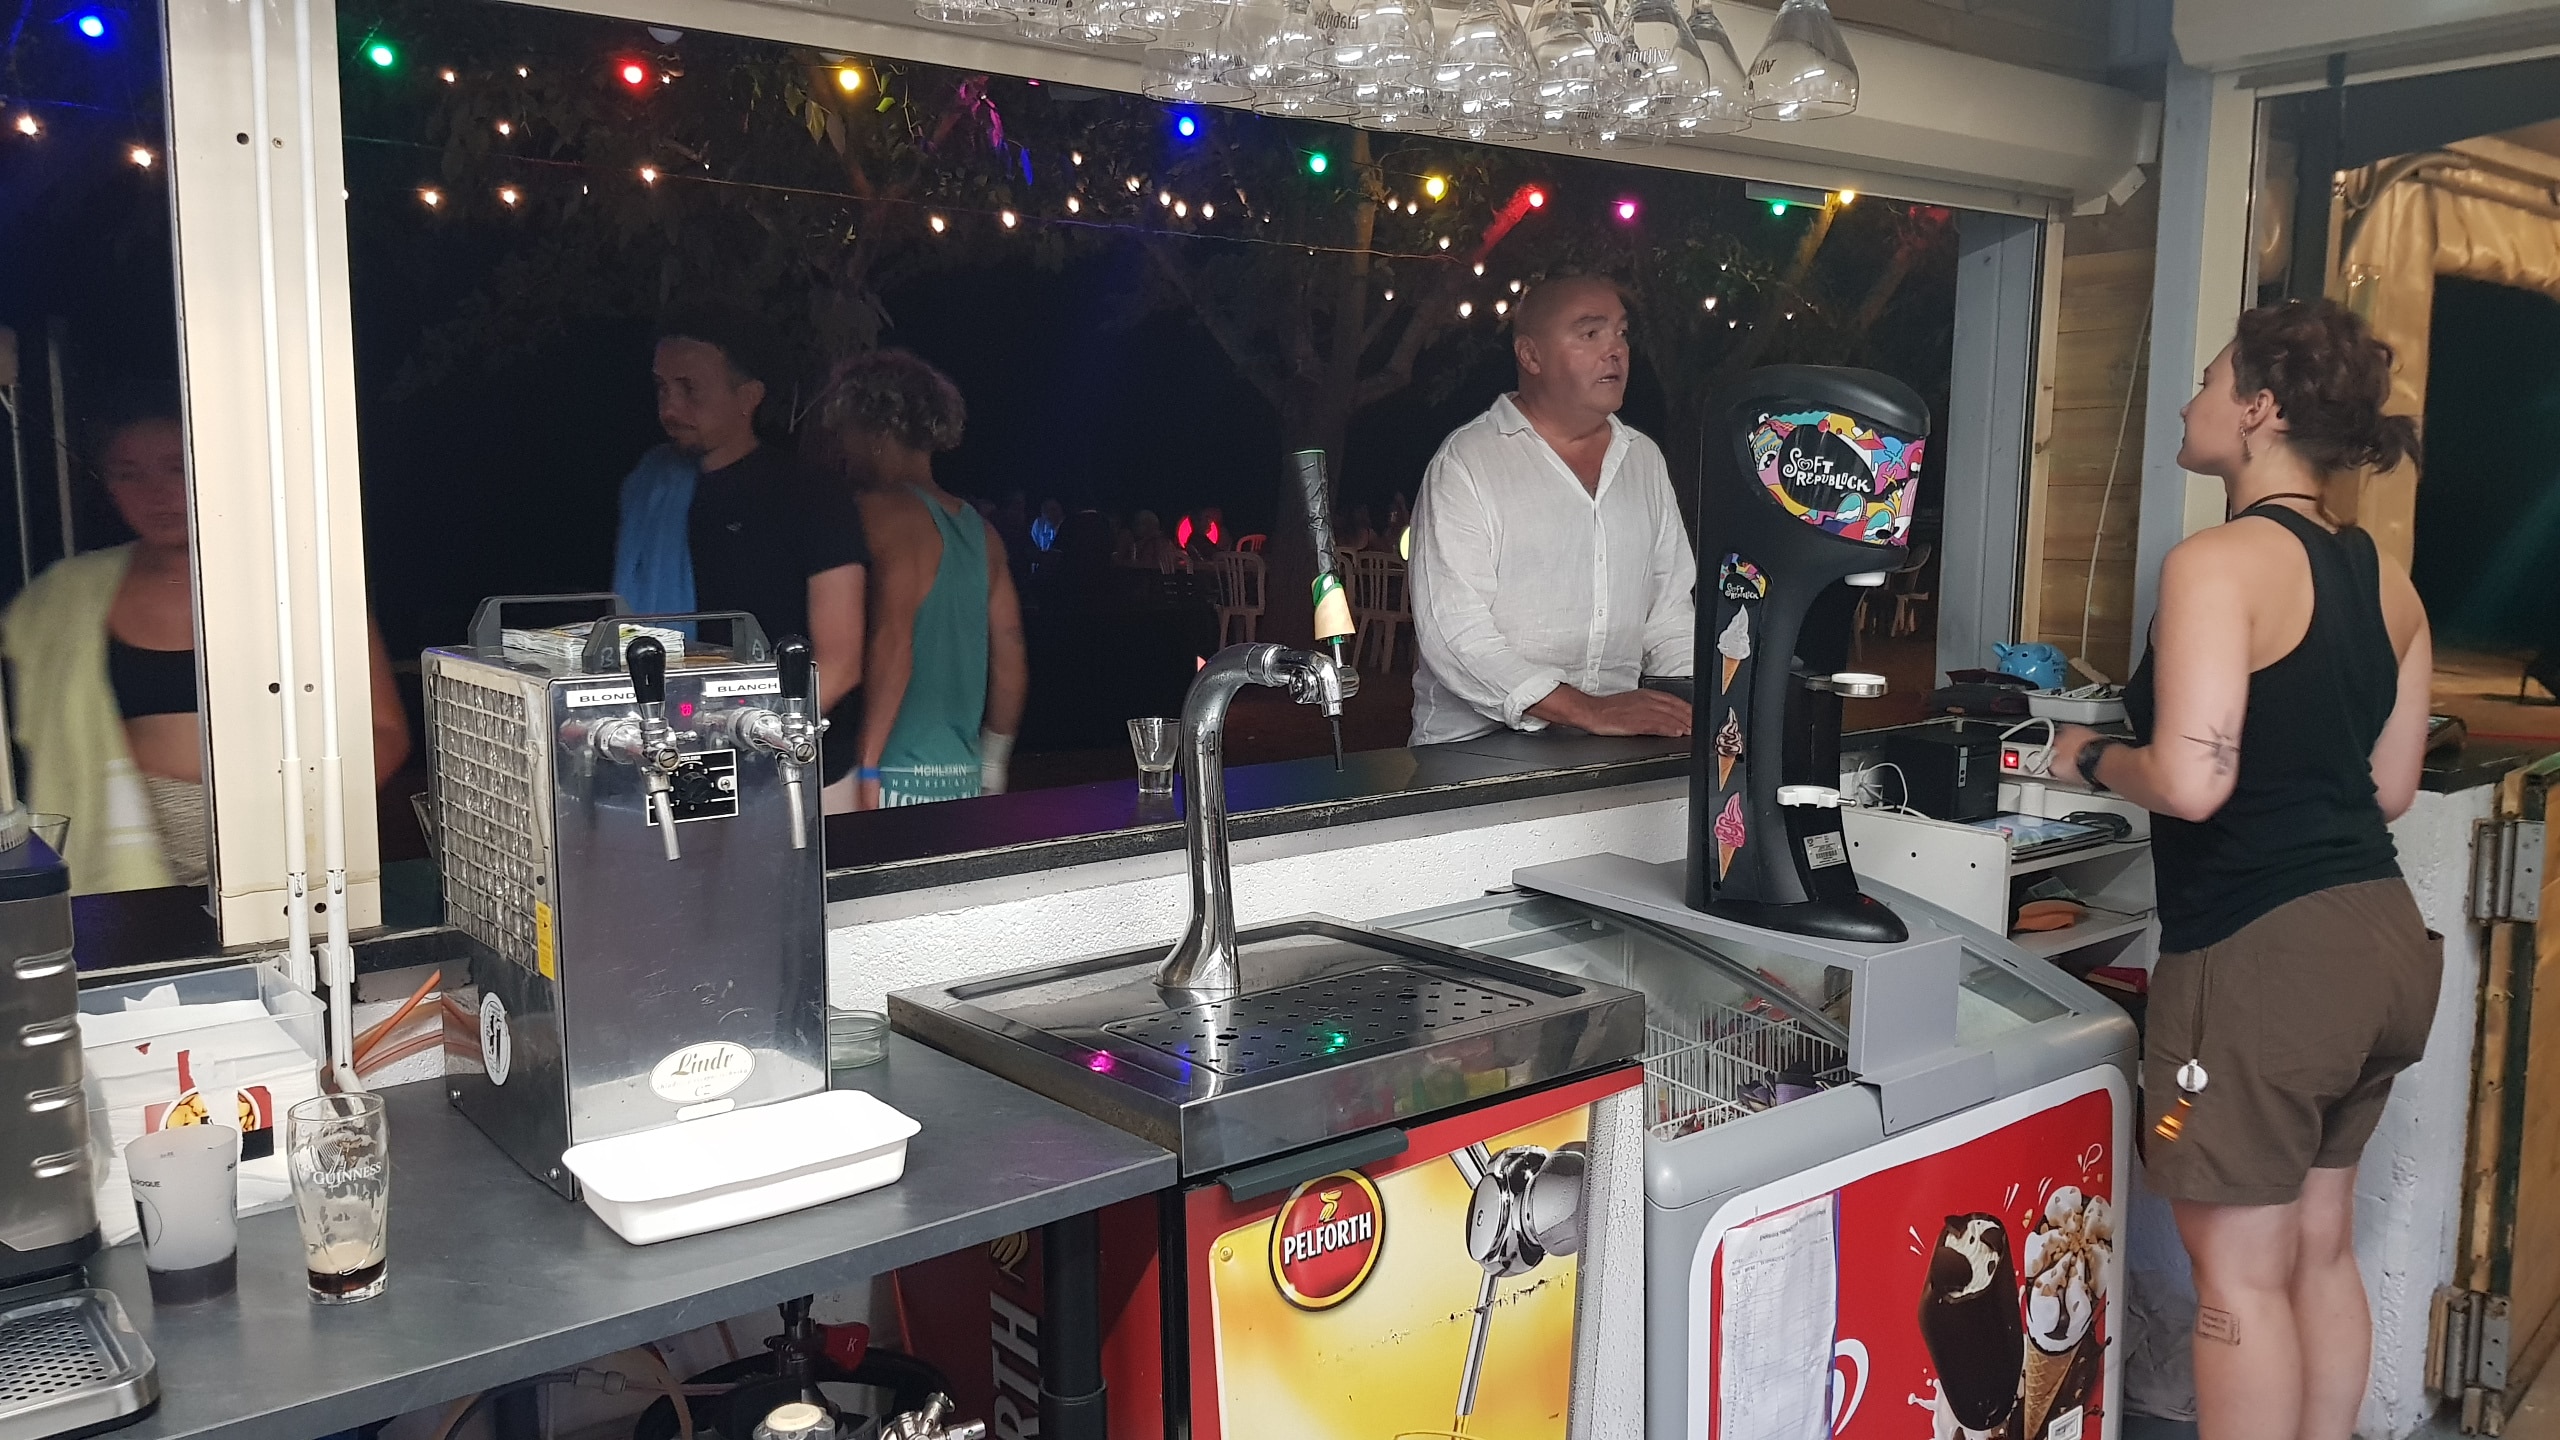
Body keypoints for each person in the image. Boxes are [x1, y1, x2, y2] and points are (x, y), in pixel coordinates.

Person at [2048, 299, 2436, 1440]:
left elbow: (2193, 778)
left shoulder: (2216, 563)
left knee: (2238, 1278)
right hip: (2381, 941)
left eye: (2209, 381)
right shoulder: (2388, 580)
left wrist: (2085, 756)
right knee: (2318, 1249)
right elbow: (2390, 790)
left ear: (2259, 409)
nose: (2187, 402)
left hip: (2267, 957)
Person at [2, 412, 409, 893]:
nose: (156, 493)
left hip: (284, 857)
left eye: (177, 467)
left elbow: (384, 730)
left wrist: (289, 817)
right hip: (118, 858)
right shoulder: (68, 595)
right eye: (129, 473)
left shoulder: (300, 584)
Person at [1405, 274, 1696, 745]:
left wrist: (1692, 711)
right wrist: (1587, 710)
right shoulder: (1468, 461)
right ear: (1531, 355)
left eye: (1621, 333)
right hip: (1474, 755)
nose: (1615, 350)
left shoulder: (1642, 459)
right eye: (1590, 333)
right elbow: (1454, 634)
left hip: (1613, 747)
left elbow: (1669, 614)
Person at [613, 308, 866, 787]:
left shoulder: (809, 494)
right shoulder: (649, 487)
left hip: (794, 767)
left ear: (748, 397)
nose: (670, 408)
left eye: (690, 389)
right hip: (674, 759)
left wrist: (762, 742)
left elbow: (841, 662)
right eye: (663, 388)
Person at [810, 350, 1025, 811]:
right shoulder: (982, 533)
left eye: (846, 431)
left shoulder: (877, 512)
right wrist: (992, 766)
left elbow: (894, 639)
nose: (842, 449)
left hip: (886, 779)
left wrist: (868, 766)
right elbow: (1009, 654)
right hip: (961, 780)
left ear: (878, 431)